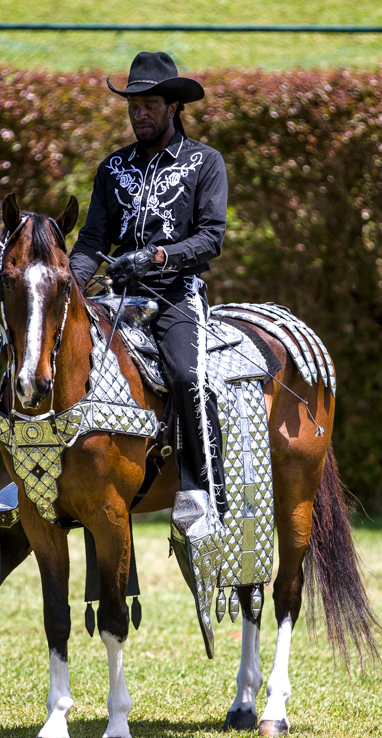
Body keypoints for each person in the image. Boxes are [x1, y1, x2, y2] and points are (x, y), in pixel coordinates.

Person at [69, 50, 229, 530]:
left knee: (186, 376)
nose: (140, 113)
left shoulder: (205, 162)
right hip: (116, 298)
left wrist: (158, 256)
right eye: (133, 106)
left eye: (150, 105)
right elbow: (91, 242)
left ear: (173, 107)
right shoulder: (111, 168)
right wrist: (68, 293)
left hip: (176, 294)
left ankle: (204, 487)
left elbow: (210, 238)